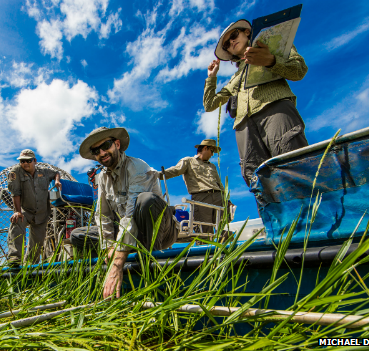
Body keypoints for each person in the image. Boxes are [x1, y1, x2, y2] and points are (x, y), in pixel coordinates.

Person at [74, 127, 179, 299]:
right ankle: (101, 283)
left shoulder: (138, 167)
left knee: (145, 201)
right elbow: (103, 216)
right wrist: (109, 247)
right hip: (126, 234)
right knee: (79, 235)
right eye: (96, 150)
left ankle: (149, 280)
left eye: (106, 145)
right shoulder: (102, 178)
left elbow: (130, 216)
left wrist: (116, 265)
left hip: (157, 231)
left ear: (116, 144)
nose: (102, 153)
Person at [203, 19, 309, 187]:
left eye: (234, 35)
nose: (231, 42)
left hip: (274, 110)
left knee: (292, 163)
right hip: (244, 126)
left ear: (246, 32)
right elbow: (210, 104)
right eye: (226, 46)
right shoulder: (235, 79)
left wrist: (271, 60)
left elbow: (299, 70)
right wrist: (212, 77)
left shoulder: (274, 46)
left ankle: (308, 212)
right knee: (257, 178)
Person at [6, 149, 61, 266]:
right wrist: (17, 212)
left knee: (37, 243)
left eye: (28, 161)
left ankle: (31, 266)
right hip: (26, 211)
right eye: (22, 161)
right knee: (16, 221)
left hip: (42, 213)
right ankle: (14, 258)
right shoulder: (15, 172)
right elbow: (15, 192)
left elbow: (56, 173)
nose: (25, 163)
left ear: (35, 161)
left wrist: (56, 181)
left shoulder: (44, 172)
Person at [161, 139, 226, 234]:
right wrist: (157, 175)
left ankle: (225, 247)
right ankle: (204, 248)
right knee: (204, 229)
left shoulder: (212, 166)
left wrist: (226, 199)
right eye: (212, 151)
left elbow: (219, 183)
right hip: (202, 197)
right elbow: (175, 170)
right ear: (205, 148)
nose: (212, 154)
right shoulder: (188, 161)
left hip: (218, 197)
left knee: (222, 226)